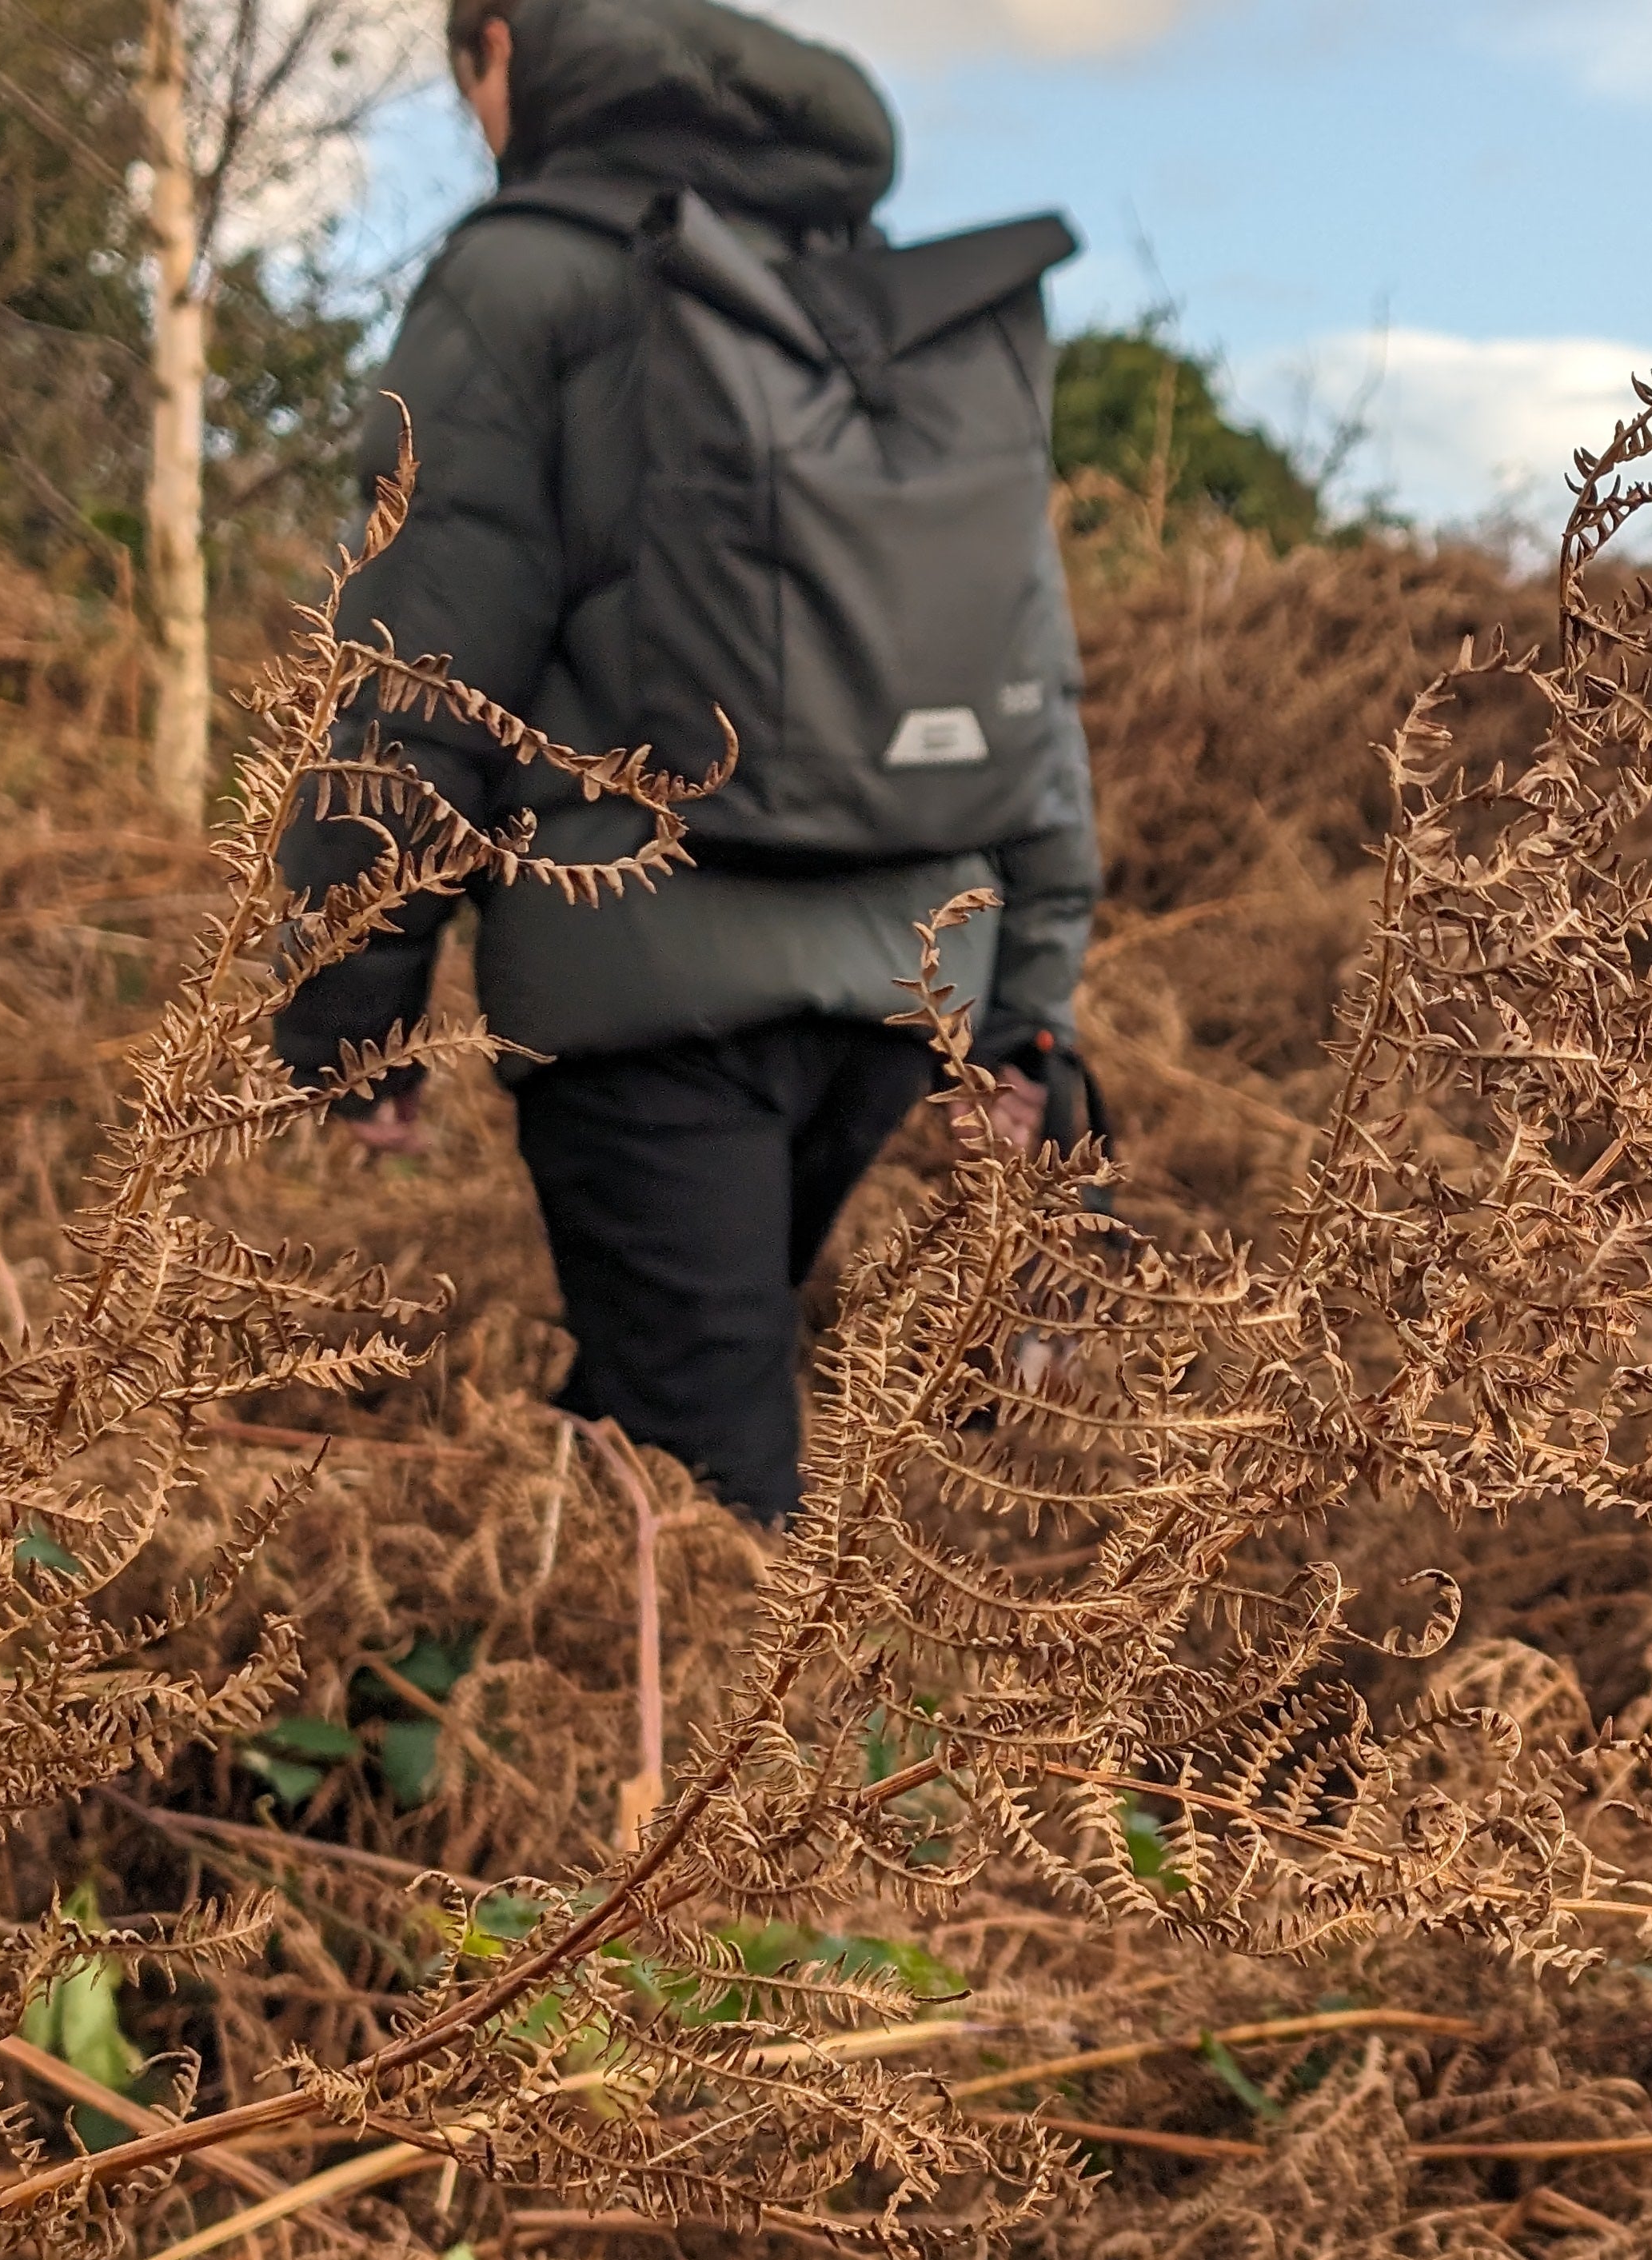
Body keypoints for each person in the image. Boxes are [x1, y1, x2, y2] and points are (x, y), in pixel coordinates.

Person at [275, 0, 1098, 1523]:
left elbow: (421, 657)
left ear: (504, 50)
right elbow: (1027, 664)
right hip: (906, 979)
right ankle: (547, 1666)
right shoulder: (873, 296)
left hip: (648, 995)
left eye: (467, 81)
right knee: (659, 1386)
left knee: (715, 1495)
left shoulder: (519, 276)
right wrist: (1032, 1005)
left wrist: (348, 1005)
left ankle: (769, 1755)